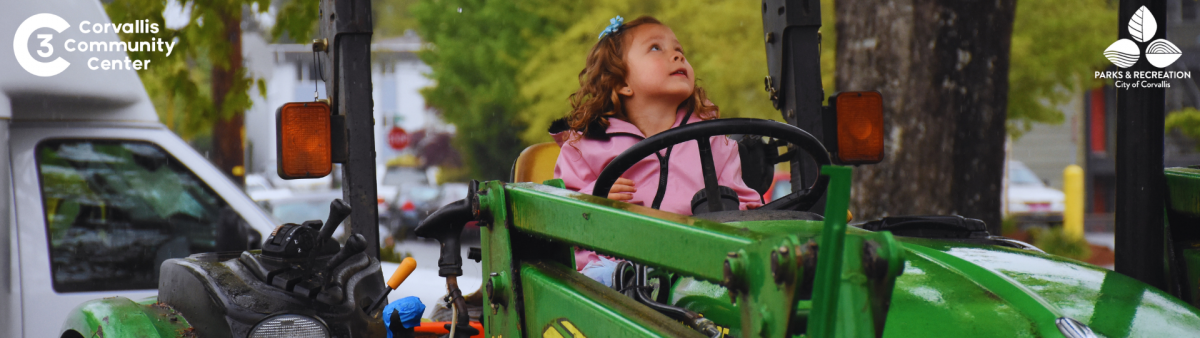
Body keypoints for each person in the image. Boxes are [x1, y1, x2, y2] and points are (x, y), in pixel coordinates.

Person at [548, 15, 763, 280]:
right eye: (655, 48)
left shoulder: (714, 141)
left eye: (679, 50)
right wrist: (592, 199)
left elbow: (751, 207)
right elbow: (556, 215)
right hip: (612, 267)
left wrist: (730, 212)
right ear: (621, 83)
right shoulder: (586, 145)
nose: (677, 56)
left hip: (695, 267)